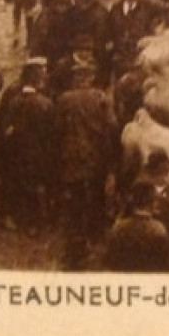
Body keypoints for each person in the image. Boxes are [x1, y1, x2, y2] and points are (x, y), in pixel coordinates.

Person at [54, 64, 118, 268]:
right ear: (90, 78)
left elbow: (57, 127)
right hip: (95, 153)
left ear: (75, 79)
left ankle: (76, 233)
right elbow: (112, 125)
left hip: (71, 153)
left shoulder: (65, 99)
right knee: (97, 192)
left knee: (75, 193)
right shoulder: (101, 98)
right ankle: (95, 230)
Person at [0, 59, 55, 232]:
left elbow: (5, 122)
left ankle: (16, 217)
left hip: (16, 146)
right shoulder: (35, 98)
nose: (45, 75)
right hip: (32, 148)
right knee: (27, 183)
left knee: (17, 181)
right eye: (42, 71)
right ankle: (28, 221)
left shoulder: (16, 95)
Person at [103, 181, 169, 273]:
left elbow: (110, 262)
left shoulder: (118, 227)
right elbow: (166, 265)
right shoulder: (158, 229)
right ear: (152, 202)